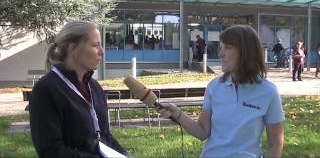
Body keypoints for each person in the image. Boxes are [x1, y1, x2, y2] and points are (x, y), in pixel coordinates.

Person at [158, 25, 285, 157]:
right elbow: (203, 132)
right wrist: (177, 113)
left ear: (247, 52)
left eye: (228, 48)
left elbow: (276, 144)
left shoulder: (268, 92)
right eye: (221, 48)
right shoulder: (214, 87)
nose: (220, 54)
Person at [29, 20, 128, 157]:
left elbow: (104, 136)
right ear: (73, 49)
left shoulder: (94, 87)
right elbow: (51, 151)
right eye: (95, 45)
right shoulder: (46, 90)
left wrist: (124, 154)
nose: (102, 51)